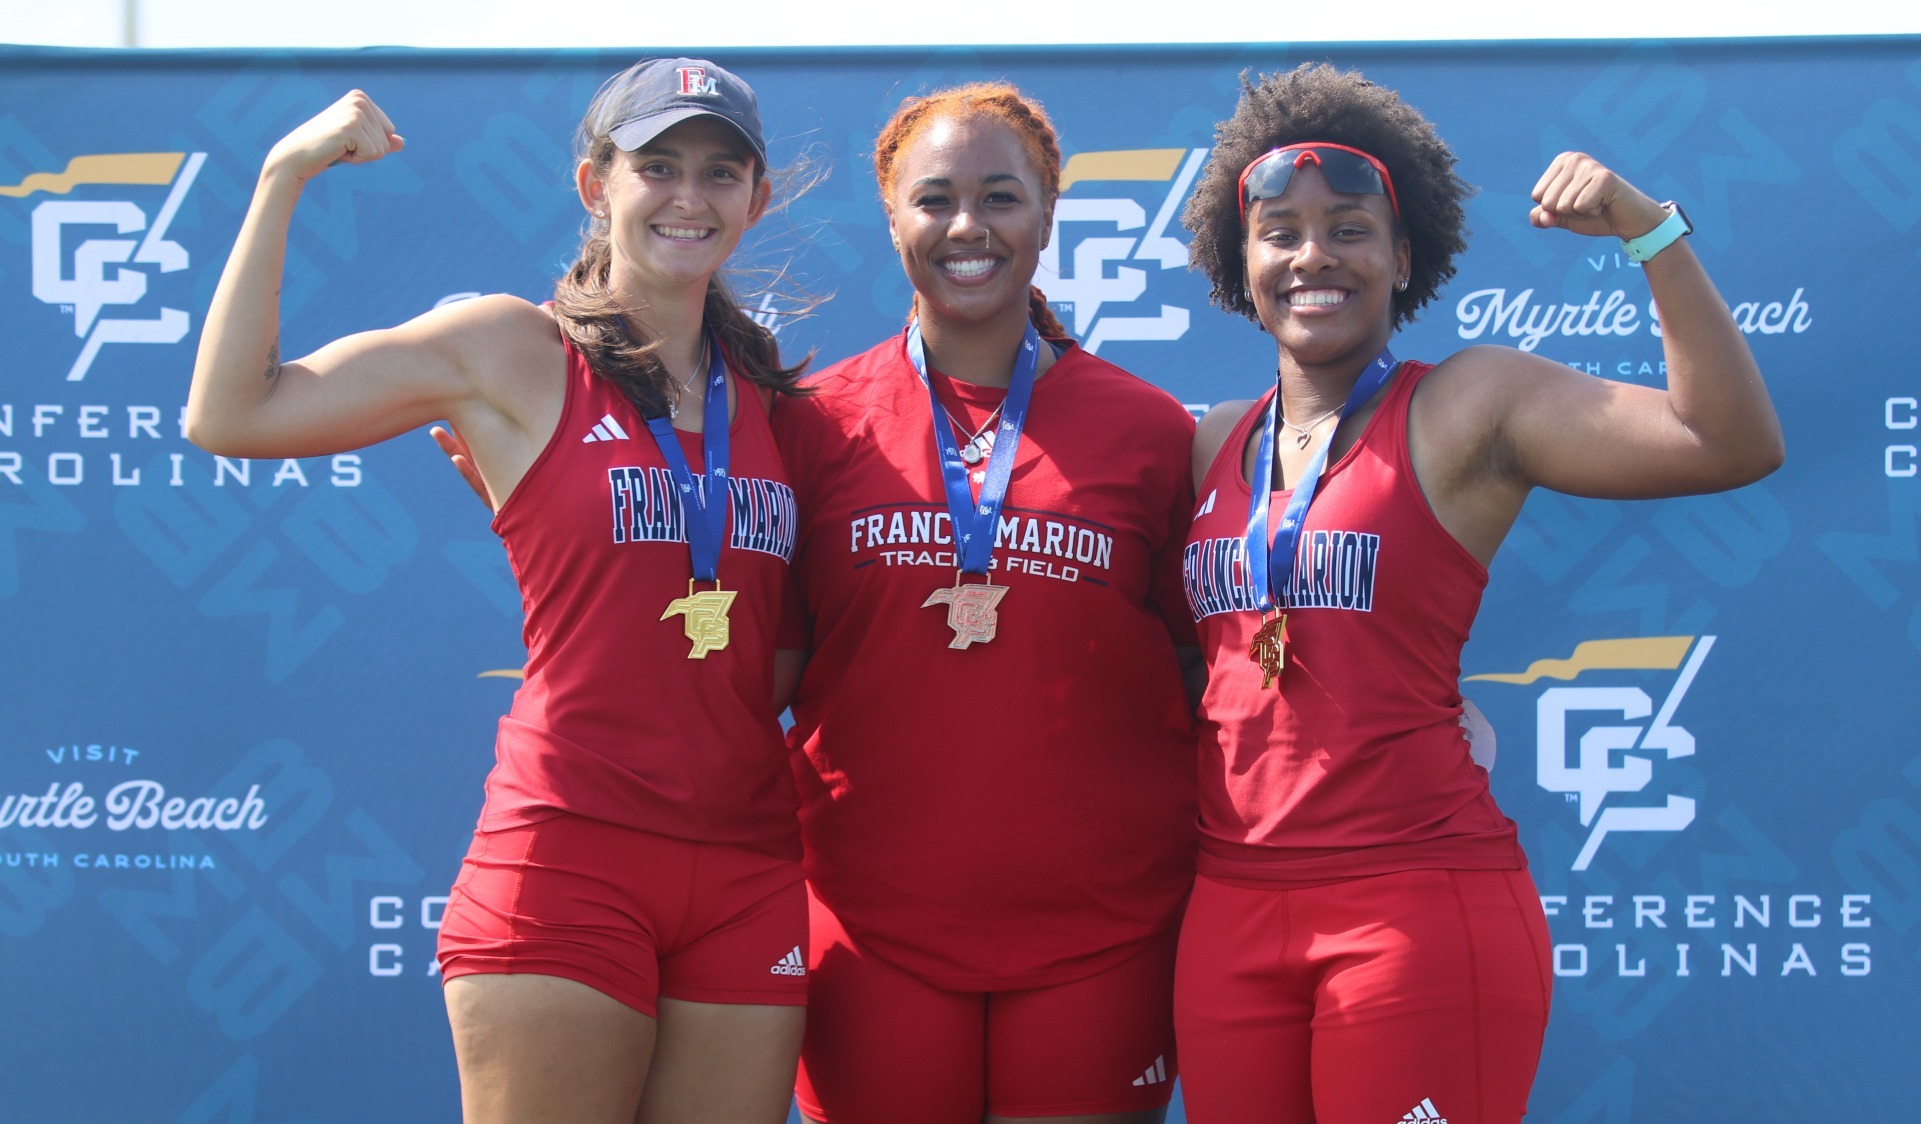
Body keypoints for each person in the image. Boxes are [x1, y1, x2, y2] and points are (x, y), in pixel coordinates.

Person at [185, 58, 811, 1124]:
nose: (688, 197)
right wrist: (283, 175)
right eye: (656, 165)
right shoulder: (511, 349)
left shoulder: (778, 400)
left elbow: (778, 653)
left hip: (749, 868)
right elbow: (234, 412)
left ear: (755, 199)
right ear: (592, 184)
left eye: (719, 172)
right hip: (570, 851)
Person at [1172, 64, 1783, 1123]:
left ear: (1402, 256)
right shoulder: (1209, 442)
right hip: (1226, 909)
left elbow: (1725, 440)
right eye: (1279, 229)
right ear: (1241, 260)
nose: (1312, 253)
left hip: (1410, 906)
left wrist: (1648, 235)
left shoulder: (1468, 404)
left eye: (1348, 227)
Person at [774, 83, 1200, 1124]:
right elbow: (753, 649)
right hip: (870, 927)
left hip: (1101, 932)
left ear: (1048, 215)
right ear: (890, 220)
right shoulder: (811, 424)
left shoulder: (1149, 433)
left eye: (1000, 197)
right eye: (934, 199)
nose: (967, 227)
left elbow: (1213, 662)